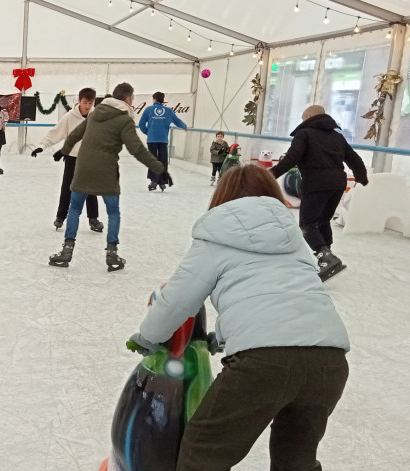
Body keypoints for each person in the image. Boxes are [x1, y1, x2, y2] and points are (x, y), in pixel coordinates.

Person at [127, 164, 350, 471]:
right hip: (329, 361)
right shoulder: (293, 237)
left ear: (223, 197)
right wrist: (224, 336)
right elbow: (283, 296)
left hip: (264, 364)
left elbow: (176, 301)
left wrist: (148, 336)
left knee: (202, 454)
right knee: (295, 459)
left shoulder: (215, 235)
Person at [49, 82, 167, 271]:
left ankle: (66, 251)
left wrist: (64, 151)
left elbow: (74, 135)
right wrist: (160, 169)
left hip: (83, 168)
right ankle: (112, 254)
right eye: (133, 97)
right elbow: (136, 149)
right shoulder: (124, 120)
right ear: (128, 99)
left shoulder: (94, 113)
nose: (133, 100)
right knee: (113, 212)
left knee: (75, 209)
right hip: (107, 171)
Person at [270, 105, 368, 281]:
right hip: (337, 184)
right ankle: (327, 257)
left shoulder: (304, 134)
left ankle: (326, 258)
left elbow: (291, 159)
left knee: (307, 224)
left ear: (309, 117)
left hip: (316, 184)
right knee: (322, 221)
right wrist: (362, 178)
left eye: (302, 118)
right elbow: (354, 159)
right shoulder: (337, 136)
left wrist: (269, 175)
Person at [31, 88, 103, 232]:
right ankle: (60, 217)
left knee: (91, 189)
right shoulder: (70, 117)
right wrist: (42, 146)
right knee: (67, 188)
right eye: (85, 102)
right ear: (79, 101)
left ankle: (93, 219)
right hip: (72, 158)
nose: (87, 106)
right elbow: (56, 132)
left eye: (90, 102)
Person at [139, 91, 187, 191]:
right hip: (163, 139)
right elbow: (177, 121)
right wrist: (184, 126)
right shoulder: (168, 111)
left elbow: (141, 124)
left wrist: (148, 132)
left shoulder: (149, 109)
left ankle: (153, 181)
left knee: (153, 160)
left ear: (154, 99)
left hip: (152, 139)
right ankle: (162, 182)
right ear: (162, 100)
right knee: (163, 161)